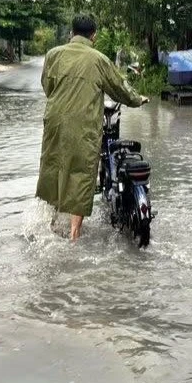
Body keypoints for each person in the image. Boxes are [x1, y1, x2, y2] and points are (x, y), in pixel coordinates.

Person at [35, 15, 149, 241]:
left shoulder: (53, 55)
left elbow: (47, 86)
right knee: (81, 174)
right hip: (84, 126)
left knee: (54, 167)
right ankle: (74, 236)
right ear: (93, 36)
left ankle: (53, 225)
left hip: (55, 122)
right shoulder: (99, 59)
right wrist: (139, 99)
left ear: (71, 33)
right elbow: (120, 88)